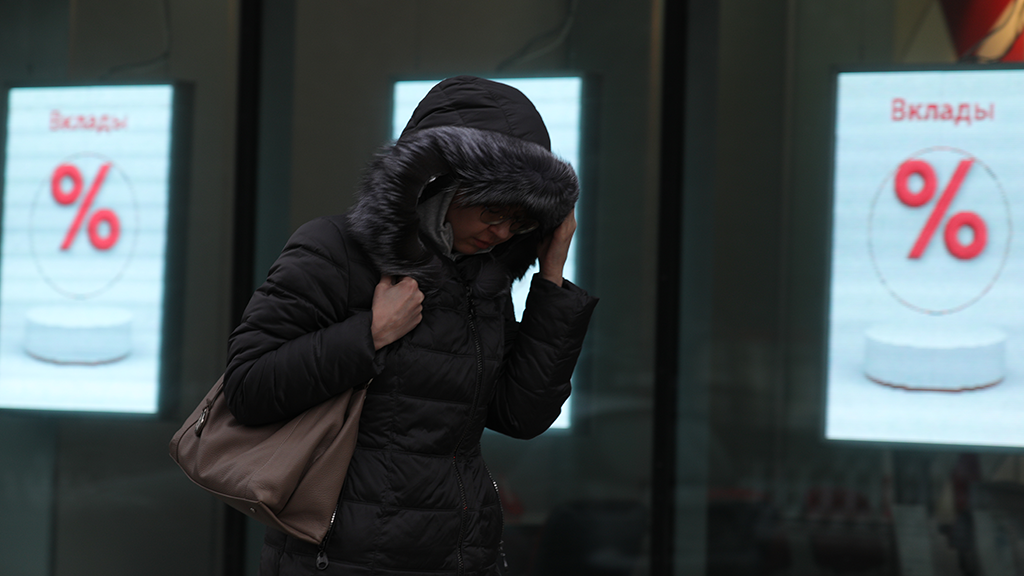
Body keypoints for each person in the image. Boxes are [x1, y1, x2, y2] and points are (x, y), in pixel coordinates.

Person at [223, 75, 598, 576]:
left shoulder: (481, 278)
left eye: (522, 221)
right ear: (439, 183)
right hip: (345, 558)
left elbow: (521, 416)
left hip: (463, 556)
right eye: (493, 209)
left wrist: (550, 280)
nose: (503, 231)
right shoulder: (335, 250)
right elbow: (248, 388)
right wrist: (370, 334)